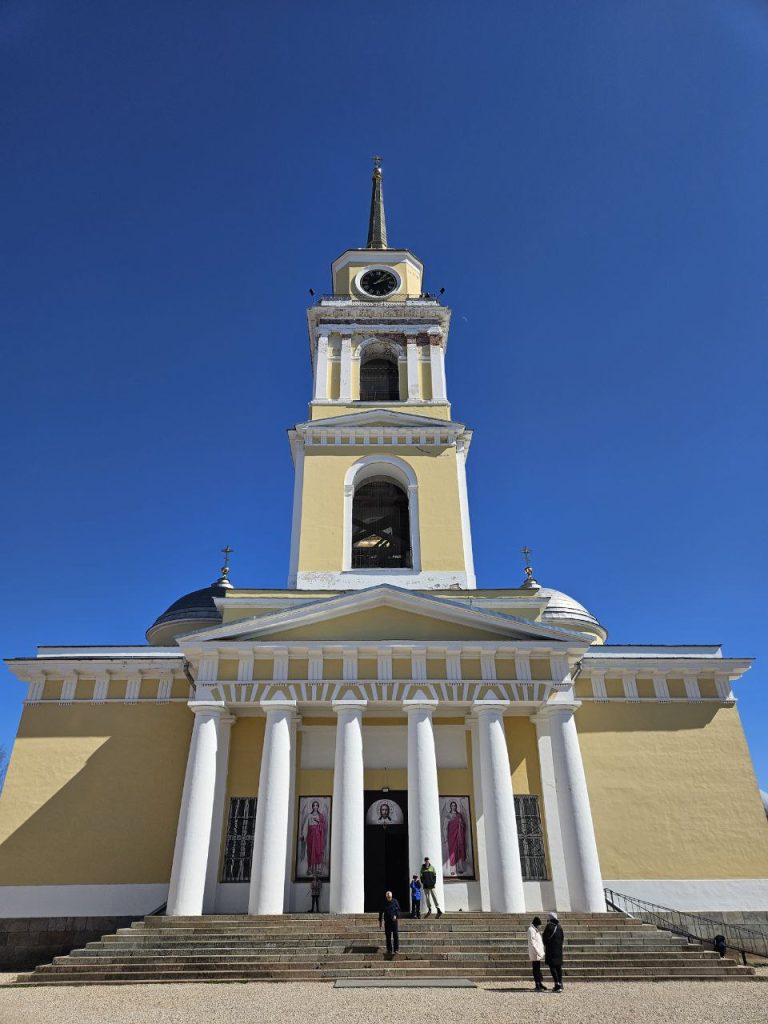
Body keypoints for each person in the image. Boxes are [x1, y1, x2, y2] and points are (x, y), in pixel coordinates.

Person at [299, 800, 328, 877]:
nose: (315, 807)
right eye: (314, 805)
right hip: (311, 836)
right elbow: (305, 826)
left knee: (318, 851)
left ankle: (318, 869)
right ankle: (310, 869)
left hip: (318, 836)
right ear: (312, 807)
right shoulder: (309, 816)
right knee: (310, 851)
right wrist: (303, 835)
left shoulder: (320, 816)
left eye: (316, 805)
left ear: (318, 807)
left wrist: (319, 822)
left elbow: (324, 827)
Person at [542, 911, 565, 992]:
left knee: (552, 967)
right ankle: (560, 983)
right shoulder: (559, 927)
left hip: (551, 950)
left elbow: (545, 938)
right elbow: (562, 938)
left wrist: (546, 944)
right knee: (558, 967)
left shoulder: (549, 926)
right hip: (559, 950)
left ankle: (557, 984)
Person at [444, 801, 468, 875]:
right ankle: (452, 870)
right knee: (453, 853)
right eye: (452, 805)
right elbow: (445, 827)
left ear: (456, 806)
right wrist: (445, 837)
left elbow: (464, 825)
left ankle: (460, 868)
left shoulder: (459, 815)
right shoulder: (448, 816)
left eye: (454, 805)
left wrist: (461, 823)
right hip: (452, 837)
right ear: (450, 807)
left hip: (459, 837)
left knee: (460, 851)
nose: (453, 807)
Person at [527, 915, 547, 991]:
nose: (540, 927)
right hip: (535, 953)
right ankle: (537, 984)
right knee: (536, 970)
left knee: (538, 969)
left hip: (537, 954)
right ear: (536, 924)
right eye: (539, 925)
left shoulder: (535, 930)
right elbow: (533, 943)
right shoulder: (531, 930)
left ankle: (540, 983)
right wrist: (538, 952)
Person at [379, 890, 401, 955]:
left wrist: (396, 916)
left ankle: (396, 949)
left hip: (394, 922)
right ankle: (389, 950)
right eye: (388, 897)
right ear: (386, 897)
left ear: (391, 896)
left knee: (395, 935)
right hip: (387, 922)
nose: (389, 898)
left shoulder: (395, 901)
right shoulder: (384, 902)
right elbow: (380, 912)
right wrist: (380, 922)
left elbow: (398, 910)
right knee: (388, 936)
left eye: (390, 897)